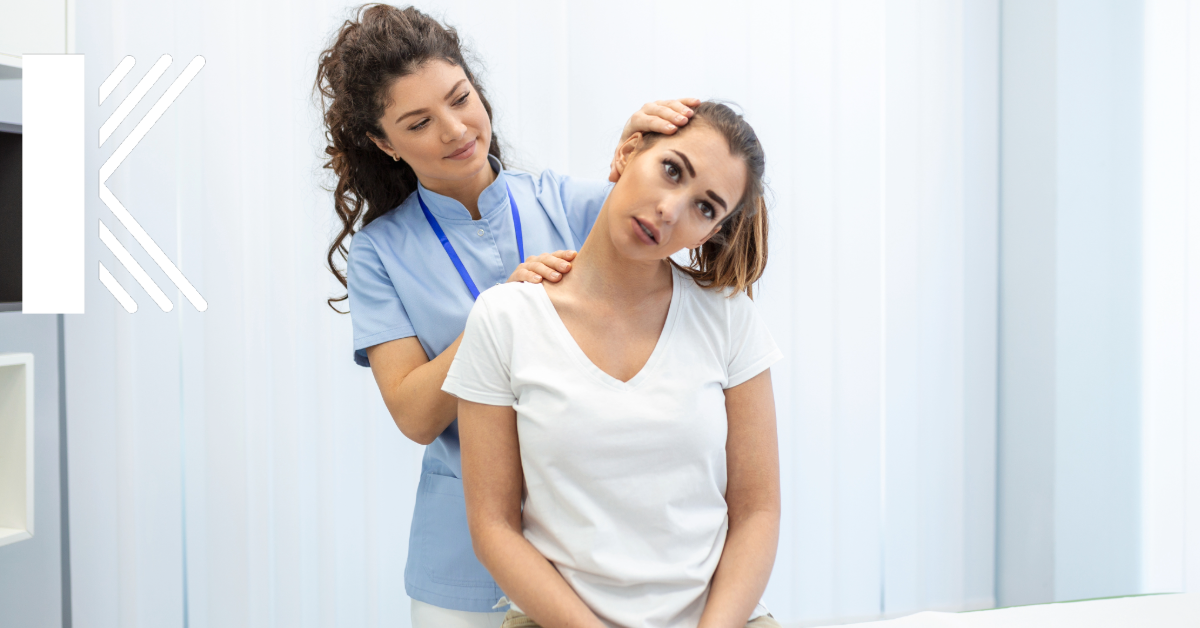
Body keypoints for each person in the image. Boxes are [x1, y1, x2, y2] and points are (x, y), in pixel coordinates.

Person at [314, 5, 697, 627]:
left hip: (590, 557)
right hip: (461, 569)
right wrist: (501, 314)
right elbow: (413, 412)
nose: (454, 129)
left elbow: (686, 223)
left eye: (461, 98)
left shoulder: (565, 202)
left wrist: (645, 153)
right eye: (418, 122)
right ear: (384, 144)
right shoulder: (381, 253)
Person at [445, 101, 783, 628]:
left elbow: (758, 512)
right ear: (627, 153)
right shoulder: (504, 318)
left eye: (705, 208)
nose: (671, 209)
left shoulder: (729, 319)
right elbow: (493, 528)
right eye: (672, 170)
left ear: (709, 234)